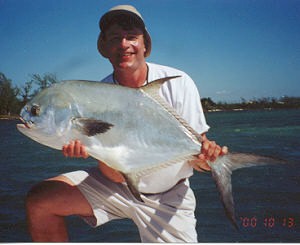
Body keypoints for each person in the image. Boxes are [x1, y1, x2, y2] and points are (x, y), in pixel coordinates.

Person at [25, 5, 228, 242]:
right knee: (40, 201)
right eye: (115, 38)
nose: (124, 44)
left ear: (144, 45)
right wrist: (88, 148)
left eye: (131, 36)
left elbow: (196, 158)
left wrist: (208, 158)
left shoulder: (179, 83)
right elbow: (114, 175)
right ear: (105, 48)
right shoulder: (97, 94)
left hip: (169, 197)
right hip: (116, 185)